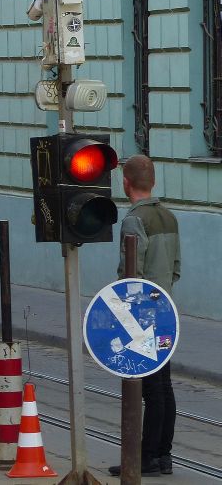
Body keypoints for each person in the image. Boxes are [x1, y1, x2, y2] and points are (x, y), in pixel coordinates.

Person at [108, 154, 181, 477]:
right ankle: (164, 455)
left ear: (126, 183)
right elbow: (176, 268)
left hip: (141, 316)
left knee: (150, 388)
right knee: (163, 385)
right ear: (152, 183)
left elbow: (130, 272)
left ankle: (146, 457)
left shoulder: (133, 221)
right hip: (166, 307)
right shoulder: (168, 217)